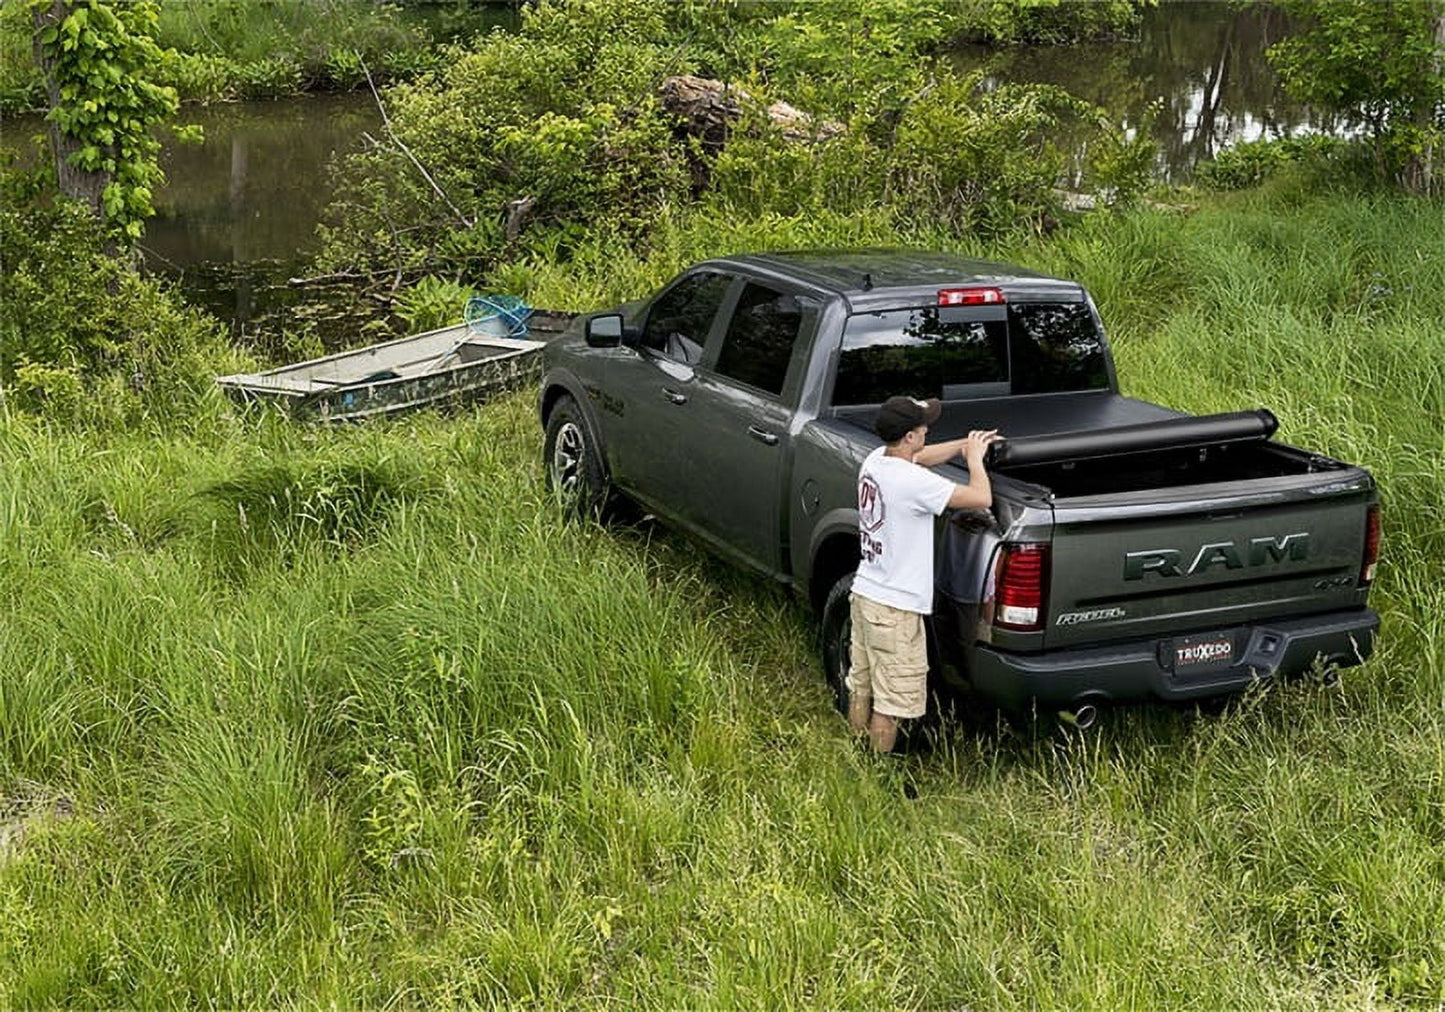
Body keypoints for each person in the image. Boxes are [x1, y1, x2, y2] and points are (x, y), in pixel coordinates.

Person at [849, 395, 1000, 752]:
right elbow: (981, 497)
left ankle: (856, 753)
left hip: (866, 595)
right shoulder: (913, 483)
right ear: (909, 437)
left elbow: (921, 457)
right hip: (896, 611)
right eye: (922, 428)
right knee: (892, 704)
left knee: (862, 683)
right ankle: (878, 774)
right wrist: (976, 460)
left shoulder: (876, 461)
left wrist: (964, 444)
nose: (927, 430)